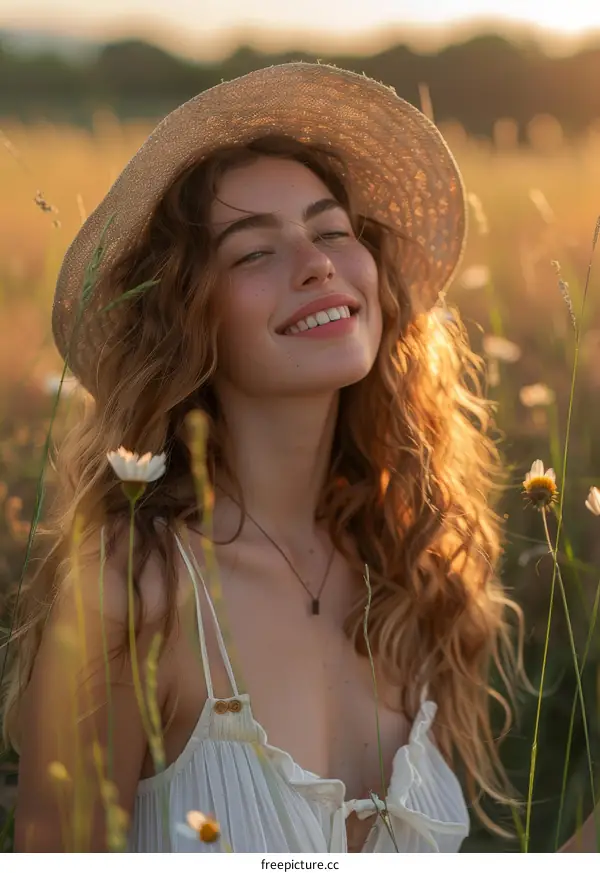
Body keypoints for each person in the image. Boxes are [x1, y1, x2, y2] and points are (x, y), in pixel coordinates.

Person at [0, 62, 595, 853]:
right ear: (187, 314)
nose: (315, 262)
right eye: (253, 253)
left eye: (332, 230)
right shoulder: (130, 592)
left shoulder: (412, 573)